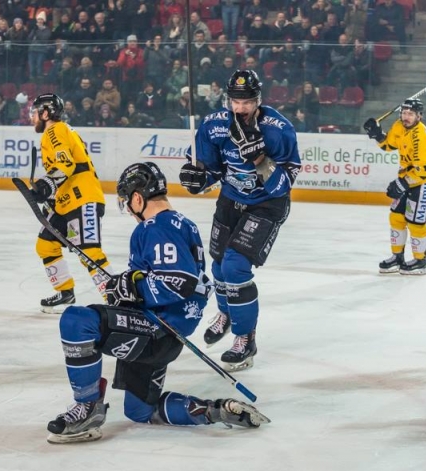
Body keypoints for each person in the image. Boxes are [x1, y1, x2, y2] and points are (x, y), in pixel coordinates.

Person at [46, 161, 269, 444]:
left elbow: (179, 281)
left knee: (77, 321)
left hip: (156, 329)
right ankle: (216, 411)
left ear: (138, 198)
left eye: (128, 202)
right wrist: (127, 286)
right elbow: (175, 279)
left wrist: (133, 286)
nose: (128, 209)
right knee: (140, 410)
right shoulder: (181, 223)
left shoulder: (155, 226)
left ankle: (88, 407)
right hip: (166, 335)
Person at [178, 70, 301, 372]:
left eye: (247, 102)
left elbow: (283, 186)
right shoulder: (213, 125)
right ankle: (226, 313)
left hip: (266, 205)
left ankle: (245, 338)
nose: (241, 108)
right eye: (236, 101)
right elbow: (211, 171)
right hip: (231, 199)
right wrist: (199, 180)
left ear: (259, 100)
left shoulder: (279, 130)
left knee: (234, 266)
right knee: (218, 265)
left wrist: (260, 160)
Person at [29, 93, 113, 313]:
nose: (32, 117)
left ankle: (117, 299)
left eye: (35, 112)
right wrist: (49, 197)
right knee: (45, 244)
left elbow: (66, 164)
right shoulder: (55, 133)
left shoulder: (55, 130)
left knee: (89, 251)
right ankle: (66, 293)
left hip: (82, 198)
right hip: (65, 201)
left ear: (45, 113)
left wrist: (46, 185)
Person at [363, 99, 426, 275]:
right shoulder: (399, 125)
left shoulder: (422, 137)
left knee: (415, 223)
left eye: (410, 114)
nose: (406, 117)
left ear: (419, 116)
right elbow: (389, 145)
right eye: (404, 113)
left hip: (424, 182)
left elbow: (424, 170)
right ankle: (397, 257)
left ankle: (420, 261)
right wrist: (377, 134)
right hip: (407, 178)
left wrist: (403, 183)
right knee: (396, 217)